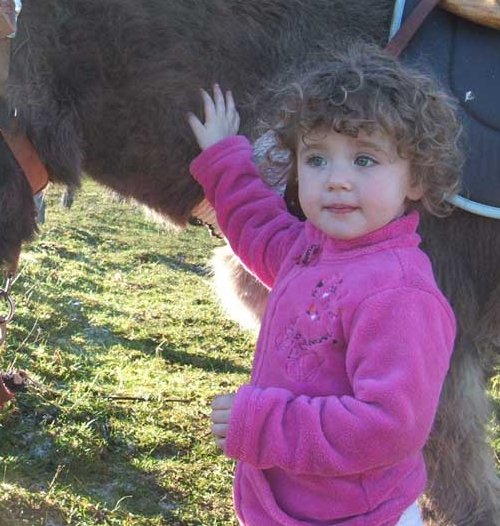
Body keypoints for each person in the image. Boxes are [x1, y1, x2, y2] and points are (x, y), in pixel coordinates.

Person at [187, 44, 463, 526]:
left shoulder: (399, 294)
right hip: (292, 505)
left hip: (358, 516)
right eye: (316, 159)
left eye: (365, 160)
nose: (336, 180)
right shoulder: (311, 249)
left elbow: (388, 427)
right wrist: (223, 157)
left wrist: (263, 425)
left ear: (416, 179)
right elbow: (257, 226)